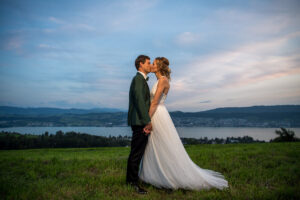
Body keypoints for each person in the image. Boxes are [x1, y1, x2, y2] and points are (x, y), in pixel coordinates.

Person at [139, 57, 229, 190]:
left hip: (157, 114)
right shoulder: (159, 80)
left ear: (158, 67)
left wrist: (147, 120)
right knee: (154, 145)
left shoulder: (163, 81)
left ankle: (168, 176)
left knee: (164, 145)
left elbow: (155, 102)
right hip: (157, 113)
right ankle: (153, 174)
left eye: (153, 64)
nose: (151, 65)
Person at [126, 55, 152, 194]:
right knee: (136, 153)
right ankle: (132, 184)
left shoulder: (141, 80)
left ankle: (132, 180)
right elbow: (140, 101)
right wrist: (147, 120)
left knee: (138, 152)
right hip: (139, 121)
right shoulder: (138, 79)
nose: (150, 65)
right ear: (140, 64)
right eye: (148, 63)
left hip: (139, 120)